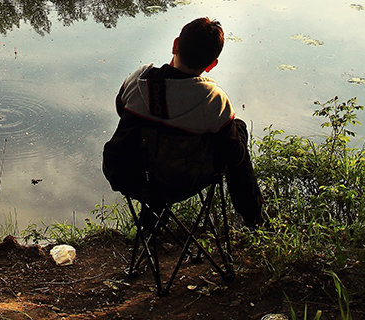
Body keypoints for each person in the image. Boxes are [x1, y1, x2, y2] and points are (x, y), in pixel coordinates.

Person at [102, 17, 262, 228]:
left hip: (127, 175)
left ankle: (153, 218)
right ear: (212, 65)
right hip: (180, 183)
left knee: (152, 140)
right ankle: (254, 218)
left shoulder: (140, 79)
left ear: (175, 44)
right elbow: (233, 155)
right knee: (237, 130)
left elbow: (121, 109)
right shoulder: (213, 99)